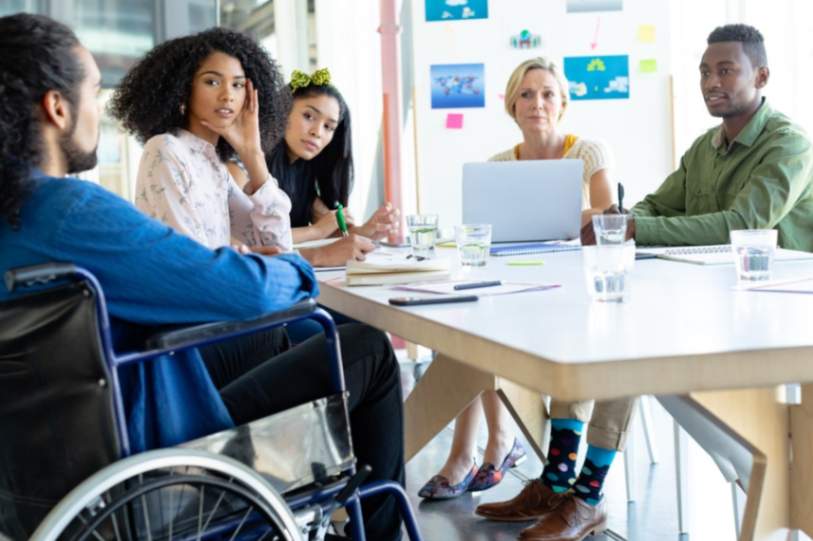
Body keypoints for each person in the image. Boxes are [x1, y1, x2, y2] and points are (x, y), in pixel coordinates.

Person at [0, 14, 403, 540]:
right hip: (168, 447)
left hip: (42, 481)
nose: (99, 108)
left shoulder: (16, 219)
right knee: (366, 346)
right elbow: (243, 289)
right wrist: (299, 268)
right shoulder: (72, 211)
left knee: (309, 335)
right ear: (57, 107)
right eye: (94, 91)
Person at [419, 57, 621, 504]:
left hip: (575, 292)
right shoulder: (497, 164)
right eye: (526, 94)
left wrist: (555, 221)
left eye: (548, 93)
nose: (537, 103)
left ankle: (493, 446)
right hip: (519, 285)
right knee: (467, 327)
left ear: (563, 102)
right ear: (512, 105)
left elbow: (610, 216)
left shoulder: (588, 152)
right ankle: (469, 450)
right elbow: (486, 235)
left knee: (483, 332)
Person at [582, 24, 813, 251]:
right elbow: (656, 205)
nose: (711, 83)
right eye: (705, 73)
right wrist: (626, 219)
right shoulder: (704, 146)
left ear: (761, 77)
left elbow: (742, 226)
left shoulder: (790, 145)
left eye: (725, 71)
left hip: (778, 283)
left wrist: (637, 227)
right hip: (712, 280)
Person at [228, 68, 400, 258]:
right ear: (282, 112)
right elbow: (251, 243)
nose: (317, 132)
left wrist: (368, 230)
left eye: (328, 127)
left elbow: (336, 236)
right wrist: (315, 231)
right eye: (308, 116)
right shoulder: (240, 169)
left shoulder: (303, 175)